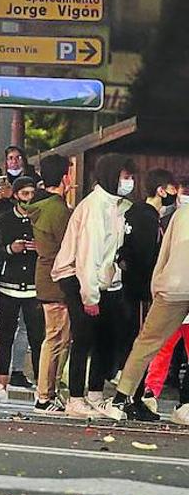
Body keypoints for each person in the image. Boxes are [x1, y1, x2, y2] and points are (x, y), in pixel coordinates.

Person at [51, 154, 136, 420]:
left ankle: (96, 393)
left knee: (106, 338)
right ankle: (76, 397)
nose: (129, 182)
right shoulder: (94, 208)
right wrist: (90, 297)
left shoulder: (117, 206)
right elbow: (89, 256)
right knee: (84, 338)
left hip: (106, 281)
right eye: (125, 177)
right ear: (112, 176)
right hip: (78, 277)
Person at [109, 200, 189, 422]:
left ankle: (121, 396)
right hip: (176, 285)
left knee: (147, 342)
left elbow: (165, 251)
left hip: (171, 286)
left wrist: (157, 284)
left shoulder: (182, 214)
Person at [0, 176, 45, 403]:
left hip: (34, 286)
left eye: (32, 194)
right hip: (9, 284)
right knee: (5, 335)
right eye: (24, 194)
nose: (29, 199)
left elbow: (55, 247)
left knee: (37, 337)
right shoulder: (3, 220)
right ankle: (1, 385)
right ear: (16, 195)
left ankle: (42, 386)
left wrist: (41, 248)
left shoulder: (40, 219)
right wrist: (11, 248)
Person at [25, 155, 73, 414]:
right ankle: (45, 394)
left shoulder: (42, 206)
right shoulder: (57, 209)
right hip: (57, 278)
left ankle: (48, 390)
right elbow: (68, 244)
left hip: (46, 275)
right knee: (56, 337)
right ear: (65, 177)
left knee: (57, 337)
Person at [0, 146, 42, 223]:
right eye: (10, 158)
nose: (14, 161)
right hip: (1, 226)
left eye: (18, 157)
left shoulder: (34, 179)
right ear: (6, 161)